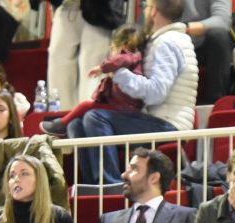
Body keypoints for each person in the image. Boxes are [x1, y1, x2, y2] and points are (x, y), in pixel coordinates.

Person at [67, 0, 198, 184]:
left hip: (169, 123)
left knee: (95, 117)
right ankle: (94, 187)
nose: (144, 12)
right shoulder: (167, 40)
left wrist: (119, 74)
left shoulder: (167, 43)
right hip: (160, 120)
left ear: (153, 12)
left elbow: (156, 92)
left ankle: (111, 184)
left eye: (147, 7)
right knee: (76, 125)